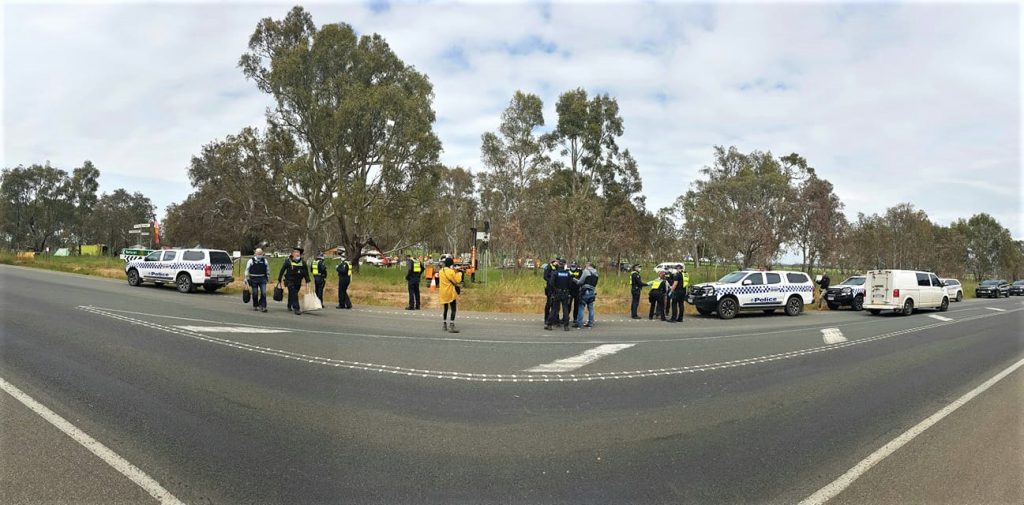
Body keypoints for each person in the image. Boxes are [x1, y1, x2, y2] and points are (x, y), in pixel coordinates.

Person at [277, 247, 311, 315]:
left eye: (298, 253)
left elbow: (306, 273)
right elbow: (282, 270)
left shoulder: (303, 263)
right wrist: (279, 279)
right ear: (292, 254)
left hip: (298, 281)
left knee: (293, 293)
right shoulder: (288, 261)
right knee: (294, 293)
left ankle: (289, 305)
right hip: (289, 280)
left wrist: (308, 280)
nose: (297, 254)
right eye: (295, 252)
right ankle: (297, 308)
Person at [546, 259, 573, 331]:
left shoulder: (555, 273)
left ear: (558, 264)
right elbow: (570, 284)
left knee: (554, 309)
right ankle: (566, 326)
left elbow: (551, 283)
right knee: (565, 309)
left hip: (557, 293)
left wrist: (554, 290)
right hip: (565, 292)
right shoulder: (568, 274)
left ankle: (549, 325)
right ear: (564, 265)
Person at [438, 257, 464, 333]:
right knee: (453, 309)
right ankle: (451, 324)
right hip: (450, 292)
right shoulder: (451, 272)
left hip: (443, 292)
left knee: (445, 308)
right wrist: (459, 273)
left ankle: (444, 324)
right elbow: (456, 281)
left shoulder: (440, 271)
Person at [244, 248, 270, 312]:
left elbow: (267, 270)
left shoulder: (265, 261)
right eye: (258, 254)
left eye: (260, 254)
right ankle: (255, 305)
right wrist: (246, 278)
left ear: (262, 254)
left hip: (262, 279)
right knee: (255, 293)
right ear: (255, 253)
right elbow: (247, 270)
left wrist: (268, 277)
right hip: (253, 279)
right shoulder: (251, 261)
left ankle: (263, 306)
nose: (259, 255)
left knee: (263, 293)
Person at [574, 261, 599, 328]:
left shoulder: (586, 271)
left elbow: (580, 282)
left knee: (581, 307)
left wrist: (573, 279)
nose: (585, 265)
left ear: (588, 265)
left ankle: (579, 323)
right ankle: (590, 323)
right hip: (592, 291)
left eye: (586, 264)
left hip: (585, 291)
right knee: (590, 308)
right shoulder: (596, 273)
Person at [542, 257, 558, 325]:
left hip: (556, 288)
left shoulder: (557, 267)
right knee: (548, 303)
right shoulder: (548, 267)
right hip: (549, 288)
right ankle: (546, 319)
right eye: (557, 261)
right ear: (554, 261)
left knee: (555, 304)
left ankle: (554, 319)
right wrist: (551, 281)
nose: (558, 263)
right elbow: (545, 276)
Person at [568, 261, 583, 328]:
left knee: (576, 305)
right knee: (568, 305)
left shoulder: (580, 271)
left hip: (577, 290)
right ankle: (566, 317)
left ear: (576, 265)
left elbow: (581, 280)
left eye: (574, 265)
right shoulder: (568, 271)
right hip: (569, 290)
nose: (573, 266)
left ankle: (575, 318)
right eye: (572, 265)